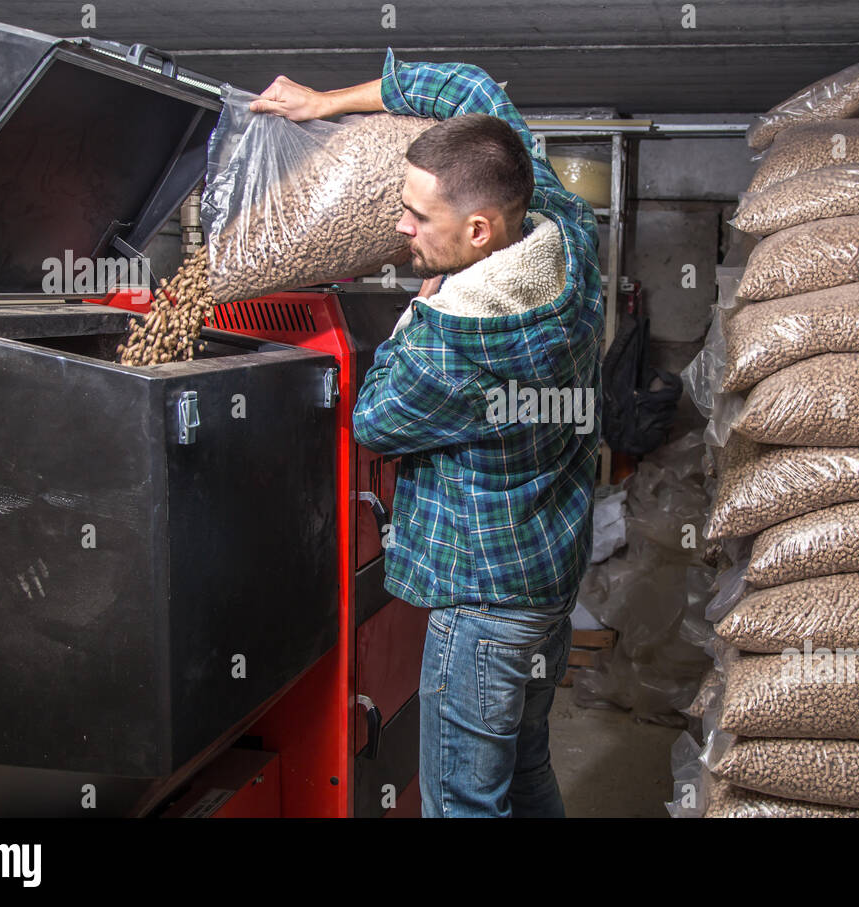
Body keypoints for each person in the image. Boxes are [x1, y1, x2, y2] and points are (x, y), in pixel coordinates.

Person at [252, 49, 603, 818]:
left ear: (479, 229)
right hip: (548, 574)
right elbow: (469, 88)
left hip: (484, 610)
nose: (398, 226)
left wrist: (414, 319)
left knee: (462, 802)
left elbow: (373, 419)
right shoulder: (564, 227)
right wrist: (325, 103)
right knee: (524, 767)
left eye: (416, 216)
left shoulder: (455, 344)